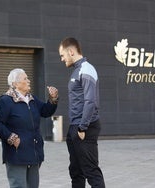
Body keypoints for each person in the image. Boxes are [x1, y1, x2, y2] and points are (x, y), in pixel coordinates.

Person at [0, 68, 58, 188]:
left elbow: (45, 111)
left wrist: (52, 99)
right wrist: (10, 137)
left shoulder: (31, 99)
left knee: (33, 186)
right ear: (15, 83)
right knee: (19, 186)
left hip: (34, 151)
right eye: (25, 78)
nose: (28, 81)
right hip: (17, 153)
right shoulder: (5, 101)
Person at [59, 37, 106, 188]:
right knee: (76, 171)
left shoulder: (87, 69)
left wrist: (82, 127)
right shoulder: (76, 71)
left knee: (91, 171)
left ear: (71, 52)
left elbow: (90, 101)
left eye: (62, 55)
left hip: (84, 127)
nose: (62, 59)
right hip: (75, 127)